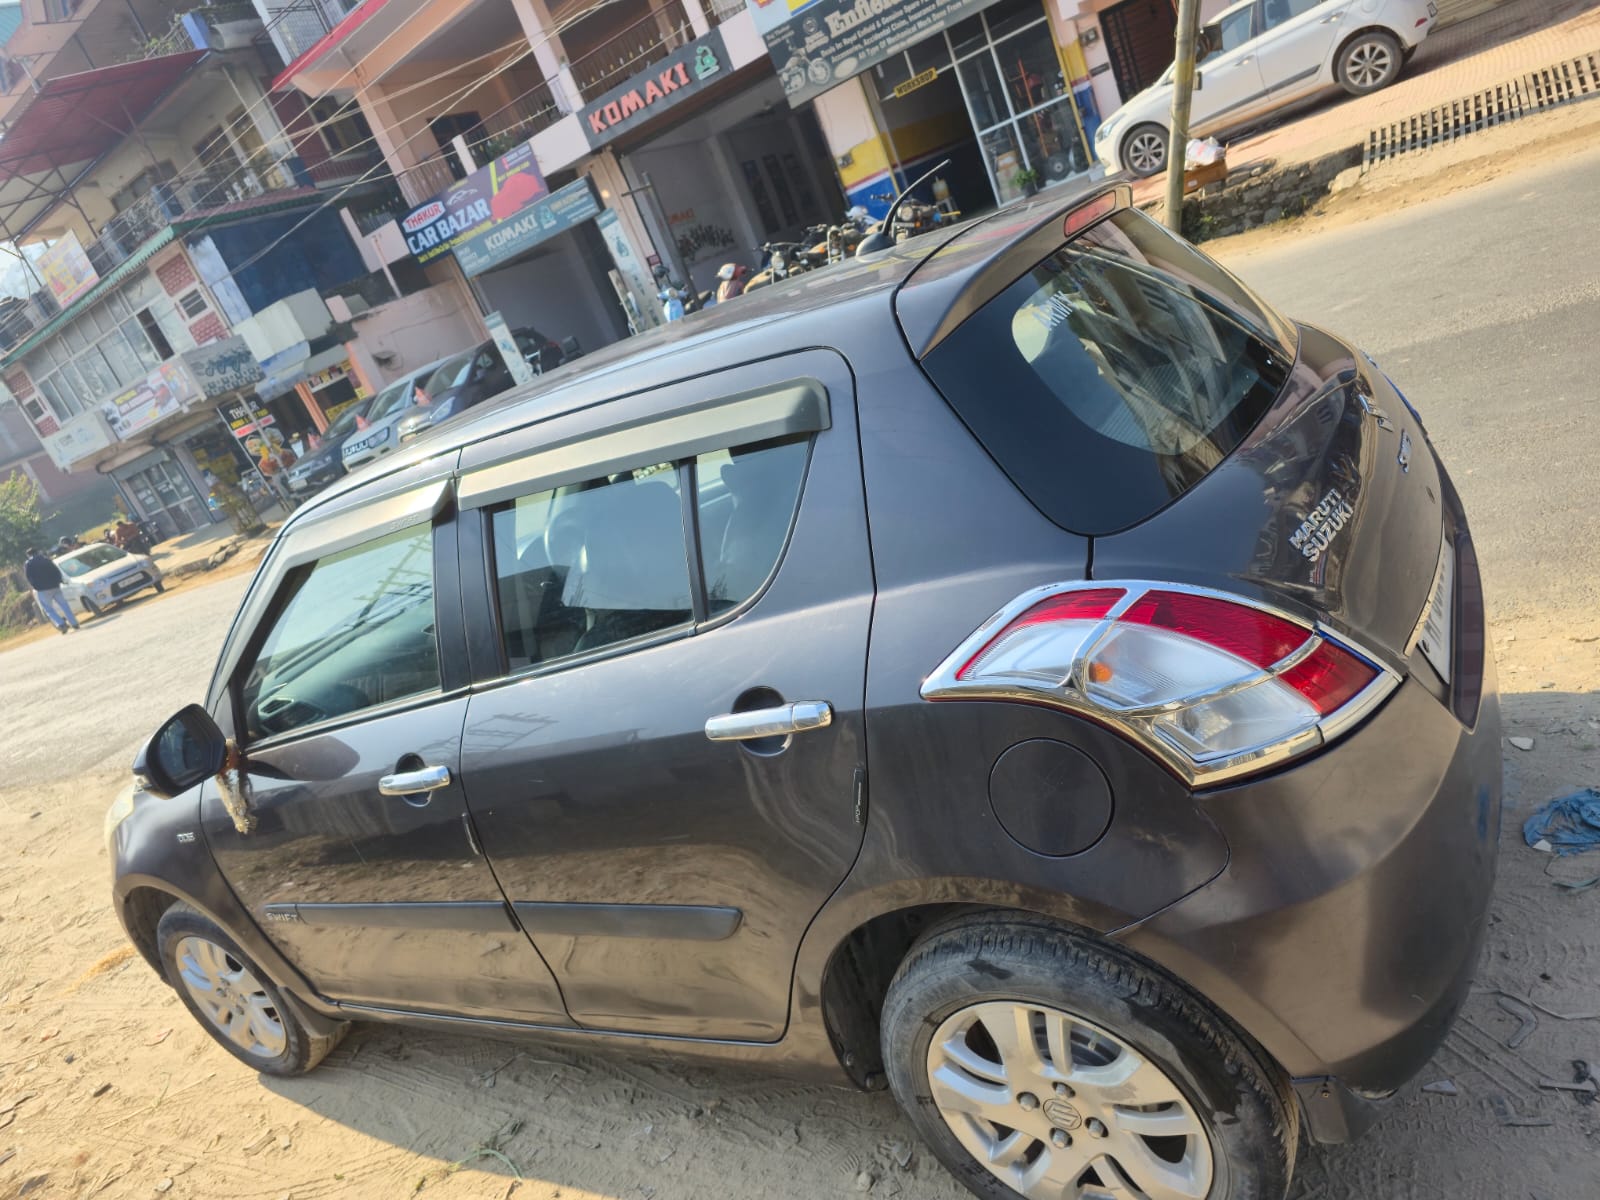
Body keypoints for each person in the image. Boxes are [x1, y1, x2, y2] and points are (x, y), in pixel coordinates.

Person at [24, 547, 79, 634]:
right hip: (55, 586)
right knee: (64, 605)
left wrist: (36, 587)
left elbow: (29, 577)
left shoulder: (29, 563)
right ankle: (74, 623)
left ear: (28, 555)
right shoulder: (46, 559)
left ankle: (61, 624)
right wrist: (58, 581)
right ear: (37, 552)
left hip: (42, 590)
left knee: (48, 609)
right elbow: (56, 571)